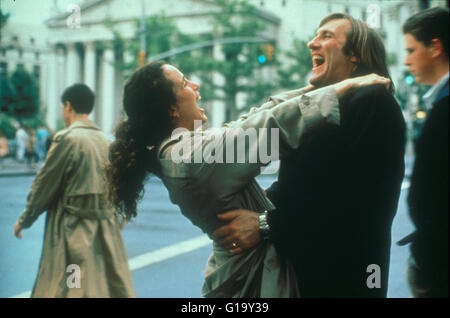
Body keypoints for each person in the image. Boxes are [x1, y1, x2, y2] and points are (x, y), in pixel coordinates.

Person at [107, 60, 391, 297]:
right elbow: (267, 127)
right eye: (184, 83)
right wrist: (347, 86)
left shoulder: (181, 151)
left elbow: (249, 121)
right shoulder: (189, 157)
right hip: (251, 284)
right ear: (171, 108)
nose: (195, 87)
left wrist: (316, 88)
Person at [213, 13, 406, 297]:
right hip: (311, 272)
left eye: (326, 36)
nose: (311, 43)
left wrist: (266, 225)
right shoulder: (328, 104)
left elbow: (357, 200)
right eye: (315, 35)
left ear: (354, 55)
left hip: (349, 278)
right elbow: (304, 181)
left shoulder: (373, 102)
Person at [14, 83, 135, 298]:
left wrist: (25, 220)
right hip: (106, 233)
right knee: (104, 287)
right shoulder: (106, 141)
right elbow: (120, 191)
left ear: (68, 106)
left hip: (73, 233)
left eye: (63, 107)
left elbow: (44, 186)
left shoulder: (68, 139)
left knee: (70, 286)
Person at [399, 6, 449, 298]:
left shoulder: (445, 108)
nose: (406, 61)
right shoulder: (439, 103)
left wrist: (425, 261)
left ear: (435, 47)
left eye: (411, 50)